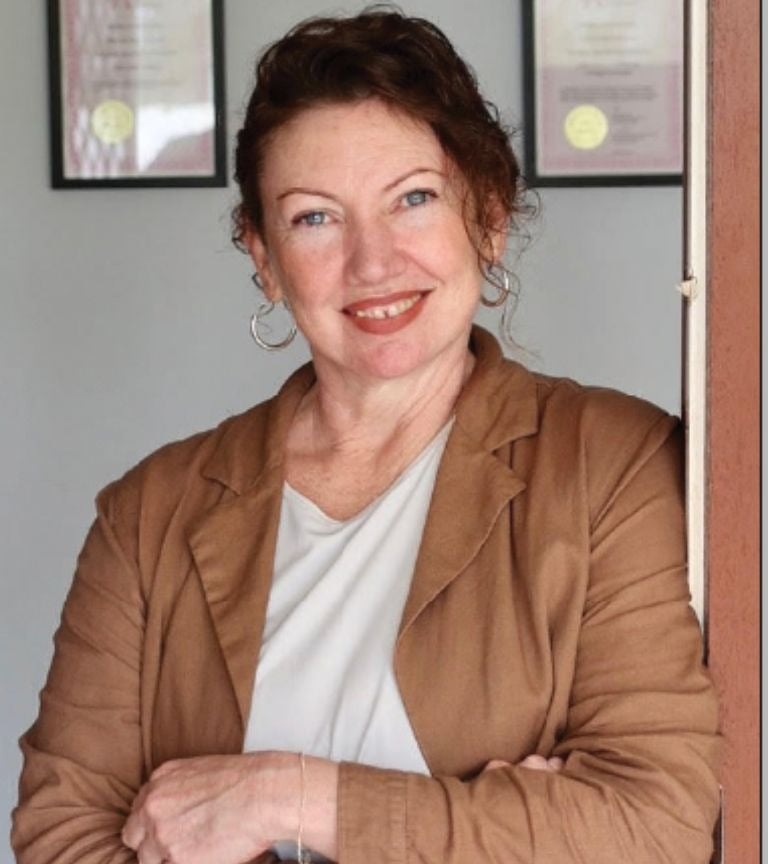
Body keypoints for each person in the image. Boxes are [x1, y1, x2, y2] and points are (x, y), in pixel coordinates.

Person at [13, 8, 720, 864]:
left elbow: (655, 823)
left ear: (488, 215)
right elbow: (60, 836)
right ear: (264, 256)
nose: (373, 262)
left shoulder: (614, 461)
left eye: (414, 199)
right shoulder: (146, 515)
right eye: (315, 218)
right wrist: (504, 823)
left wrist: (286, 796)